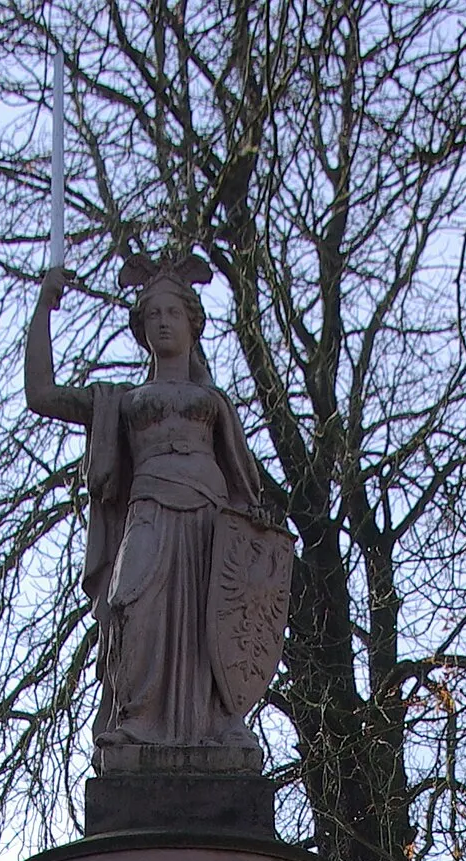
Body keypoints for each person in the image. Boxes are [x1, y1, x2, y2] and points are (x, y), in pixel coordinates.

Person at [24, 253, 284, 765]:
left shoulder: (213, 400)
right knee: (131, 605)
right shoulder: (120, 399)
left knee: (218, 611)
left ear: (192, 323)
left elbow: (242, 480)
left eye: (172, 313)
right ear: (142, 329)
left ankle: (222, 720)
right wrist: (44, 305)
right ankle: (135, 720)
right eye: (153, 315)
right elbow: (42, 394)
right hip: (148, 511)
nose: (163, 322)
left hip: (210, 517)